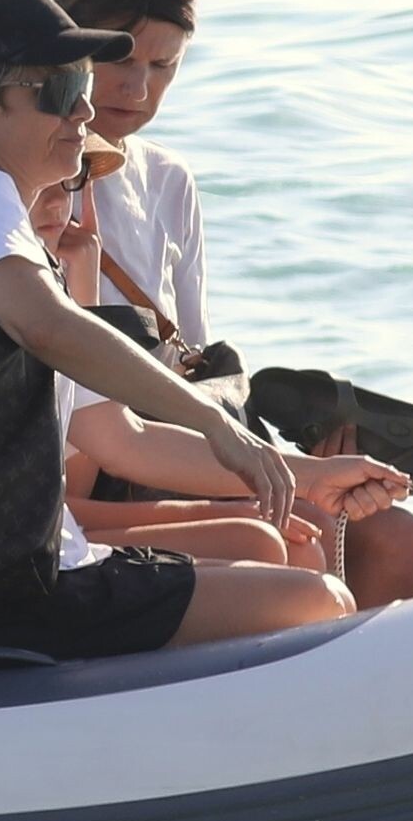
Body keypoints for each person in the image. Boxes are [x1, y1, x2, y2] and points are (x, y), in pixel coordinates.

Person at [0, 0, 406, 667]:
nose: (83, 110)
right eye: (56, 91)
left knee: (304, 589)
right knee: (317, 602)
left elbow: (121, 438)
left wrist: (306, 474)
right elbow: (50, 329)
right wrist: (215, 420)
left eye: (81, 84)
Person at [52, 0, 413, 604]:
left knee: (399, 538)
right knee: (307, 534)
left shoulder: (169, 180)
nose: (138, 86)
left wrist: (292, 460)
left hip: (171, 440)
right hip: (87, 461)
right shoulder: (36, 179)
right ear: (71, 43)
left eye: (164, 66)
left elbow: (191, 362)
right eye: (121, 58)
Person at [26, 161, 326, 570]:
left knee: (291, 536)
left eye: (68, 183)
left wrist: (85, 282)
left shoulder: (60, 285)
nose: (57, 201)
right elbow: (69, 502)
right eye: (37, 182)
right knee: (260, 542)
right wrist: (230, 511)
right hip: (22, 547)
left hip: (58, 532)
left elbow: (84, 477)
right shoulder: (8, 306)